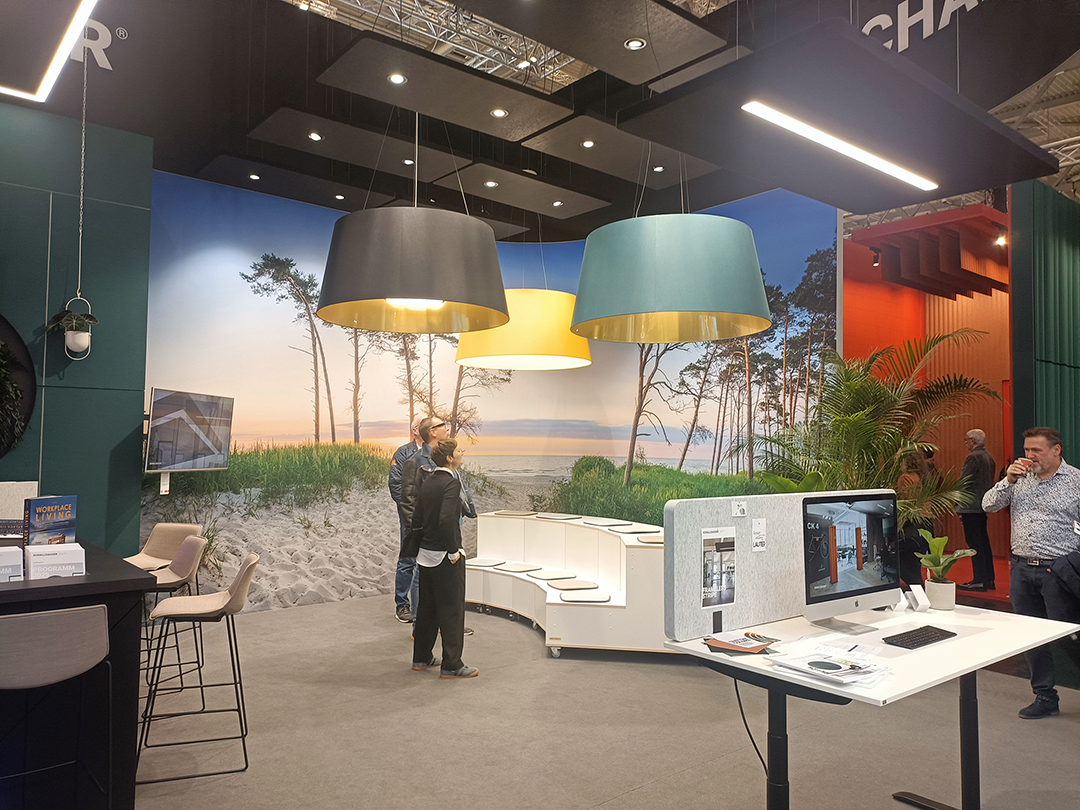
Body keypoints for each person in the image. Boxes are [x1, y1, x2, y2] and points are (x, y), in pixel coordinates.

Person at [983, 426, 1080, 719]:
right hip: (1022, 569)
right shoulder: (1018, 481)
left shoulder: (1075, 481)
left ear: (1056, 450)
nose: (1029, 455)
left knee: (1070, 635)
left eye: (1036, 450)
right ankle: (1045, 696)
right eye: (1026, 450)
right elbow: (988, 505)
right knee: (1031, 636)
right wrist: (1008, 480)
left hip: (1059, 569)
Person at [409, 438, 478, 679]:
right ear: (449, 458)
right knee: (452, 610)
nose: (461, 452)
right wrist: (453, 551)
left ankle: (421, 657)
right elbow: (448, 519)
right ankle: (452, 664)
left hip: (425, 555)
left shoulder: (428, 480)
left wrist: (420, 547)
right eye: (458, 450)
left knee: (427, 608)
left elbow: (417, 518)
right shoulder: (451, 483)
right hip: (444, 556)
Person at [396, 416, 450, 622]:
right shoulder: (410, 457)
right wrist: (415, 527)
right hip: (422, 525)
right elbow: (405, 494)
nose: (447, 429)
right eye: (442, 425)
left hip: (442, 525)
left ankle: (442, 621)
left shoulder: (442, 457)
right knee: (413, 566)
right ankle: (412, 615)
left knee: (441, 571)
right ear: (431, 431)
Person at [388, 415, 425, 623]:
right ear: (415, 430)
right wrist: (409, 513)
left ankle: (425, 605)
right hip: (410, 515)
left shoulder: (435, 452)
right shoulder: (403, 453)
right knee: (408, 557)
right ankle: (402, 604)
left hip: (432, 515)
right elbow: (395, 485)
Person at [957, 429, 997, 591]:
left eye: (966, 440)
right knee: (984, 542)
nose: (965, 443)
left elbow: (963, 481)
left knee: (975, 544)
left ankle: (979, 579)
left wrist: (958, 503)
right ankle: (989, 579)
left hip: (970, 506)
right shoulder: (989, 457)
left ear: (972, 441)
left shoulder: (973, 457)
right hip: (982, 505)